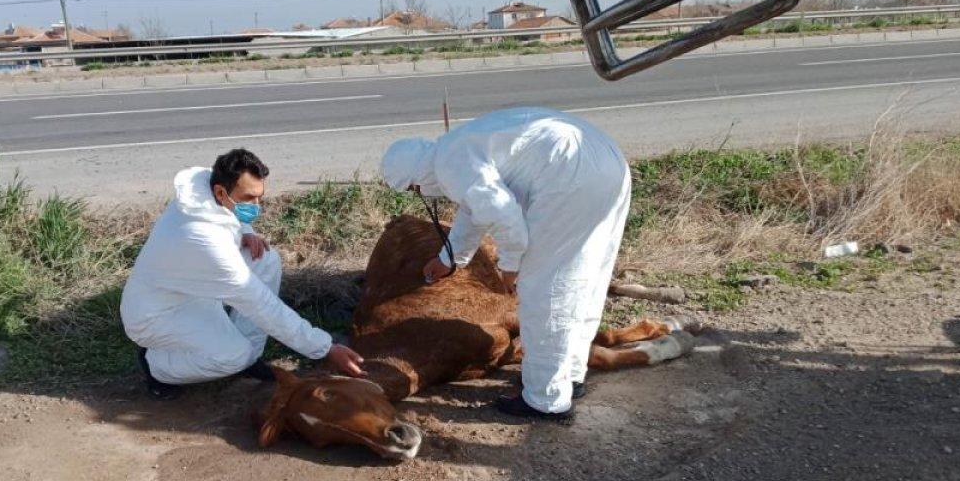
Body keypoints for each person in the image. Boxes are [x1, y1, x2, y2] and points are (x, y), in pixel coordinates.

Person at [380, 107, 631, 421]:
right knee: (584, 281)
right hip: (605, 164)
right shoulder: (455, 149)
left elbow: (503, 215)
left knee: (545, 291)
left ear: (415, 176)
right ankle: (569, 375)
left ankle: (545, 399)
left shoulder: (449, 164)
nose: (420, 193)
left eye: (413, 189)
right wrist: (450, 259)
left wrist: (511, 267)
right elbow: (476, 209)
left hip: (571, 176)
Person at [121, 148, 365, 399]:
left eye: (259, 197)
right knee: (232, 356)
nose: (256, 206)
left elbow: (224, 216)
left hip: (189, 290)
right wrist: (324, 348)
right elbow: (262, 306)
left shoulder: (204, 189)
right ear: (221, 192)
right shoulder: (204, 240)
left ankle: (250, 358)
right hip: (157, 315)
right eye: (248, 198)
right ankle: (157, 366)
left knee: (265, 258)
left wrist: (245, 229)